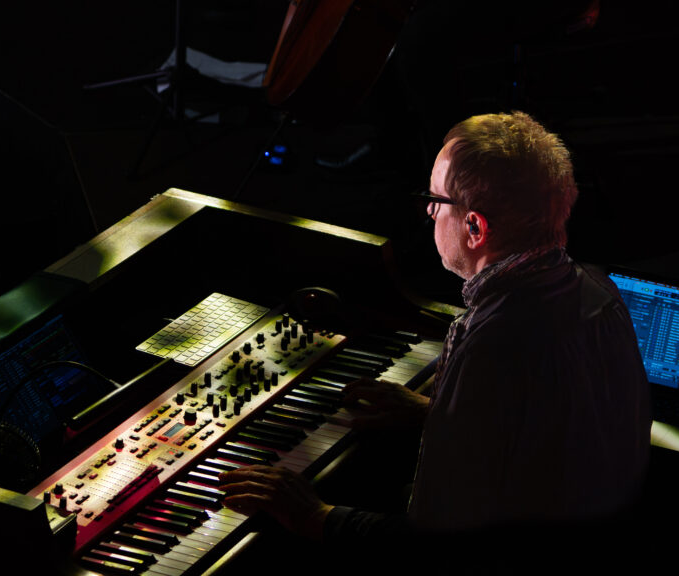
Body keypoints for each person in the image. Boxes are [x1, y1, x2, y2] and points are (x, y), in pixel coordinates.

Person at [219, 111, 651, 561]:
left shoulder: (494, 342)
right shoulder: (599, 293)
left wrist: (315, 516)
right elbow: (557, 437)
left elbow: (437, 545)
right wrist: (438, 413)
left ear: (475, 227)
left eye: (435, 199)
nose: (428, 211)